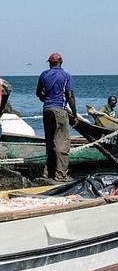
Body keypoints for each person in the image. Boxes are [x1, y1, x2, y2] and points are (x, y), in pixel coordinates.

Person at [36, 53, 78, 181]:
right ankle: (61, 174)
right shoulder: (66, 76)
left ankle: (48, 172)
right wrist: (75, 115)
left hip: (47, 109)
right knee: (62, 143)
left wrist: (46, 100)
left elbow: (38, 93)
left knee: (50, 141)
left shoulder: (44, 74)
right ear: (61, 63)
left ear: (50, 63)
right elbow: (69, 95)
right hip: (59, 109)